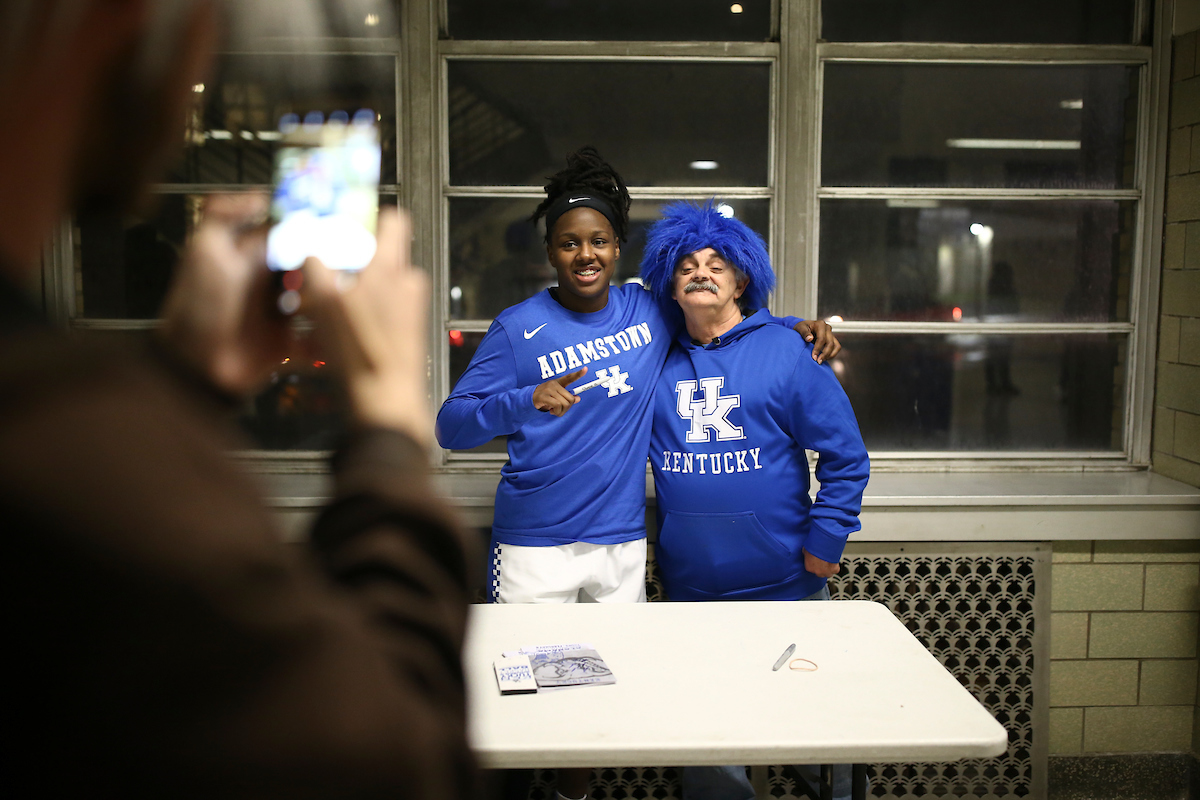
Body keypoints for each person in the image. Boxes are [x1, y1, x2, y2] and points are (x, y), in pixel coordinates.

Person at [1, 2, 476, 797]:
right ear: (122, 20)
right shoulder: (54, 457)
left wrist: (186, 382)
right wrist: (390, 430)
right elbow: (397, 763)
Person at [435, 148, 838, 800]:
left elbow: (721, 316)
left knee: (597, 699)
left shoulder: (645, 311)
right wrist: (522, 400)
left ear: (618, 247)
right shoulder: (518, 329)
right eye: (569, 243)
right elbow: (451, 426)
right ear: (550, 251)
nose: (584, 254)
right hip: (536, 544)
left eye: (597, 240)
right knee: (520, 702)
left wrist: (796, 328)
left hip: (620, 543)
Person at [639, 201, 870, 800]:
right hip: (691, 595)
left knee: (823, 747)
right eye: (686, 264)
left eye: (717, 263)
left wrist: (825, 545)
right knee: (712, 758)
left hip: (789, 587)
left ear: (742, 279)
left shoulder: (791, 352)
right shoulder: (651, 361)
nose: (701, 272)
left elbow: (846, 458)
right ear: (670, 282)